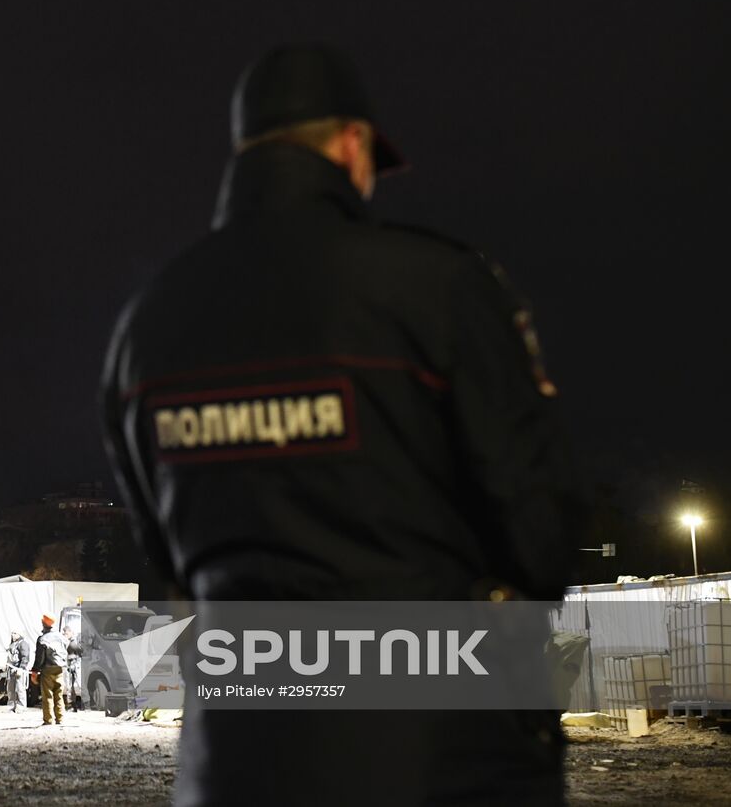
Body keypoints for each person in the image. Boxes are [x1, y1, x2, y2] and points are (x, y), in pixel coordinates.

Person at [101, 45, 578, 805]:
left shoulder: (146, 324)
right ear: (353, 145)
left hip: (232, 759)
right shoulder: (439, 287)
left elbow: (170, 562)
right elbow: (540, 533)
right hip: (441, 756)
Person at [31, 614, 69, 726]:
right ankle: (60, 719)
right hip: (60, 669)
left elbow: (39, 658)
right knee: (59, 694)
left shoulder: (42, 639)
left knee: (47, 695)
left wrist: (35, 672)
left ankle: (48, 720)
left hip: (47, 669)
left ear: (43, 624)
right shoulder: (62, 637)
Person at [5, 629, 31, 713]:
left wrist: (21, 668)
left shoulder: (23, 644)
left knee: (20, 689)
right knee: (10, 689)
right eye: (12, 633)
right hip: (11, 669)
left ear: (20, 634)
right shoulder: (12, 644)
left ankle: (21, 707)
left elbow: (25, 657)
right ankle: (11, 706)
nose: (13, 635)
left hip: (19, 669)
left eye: (15, 633)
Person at [61, 626, 82, 713]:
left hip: (75, 666)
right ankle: (72, 705)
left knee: (77, 685)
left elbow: (80, 652)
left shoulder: (73, 643)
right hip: (70, 666)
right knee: (70, 687)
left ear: (71, 632)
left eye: (66, 633)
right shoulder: (69, 642)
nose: (65, 635)